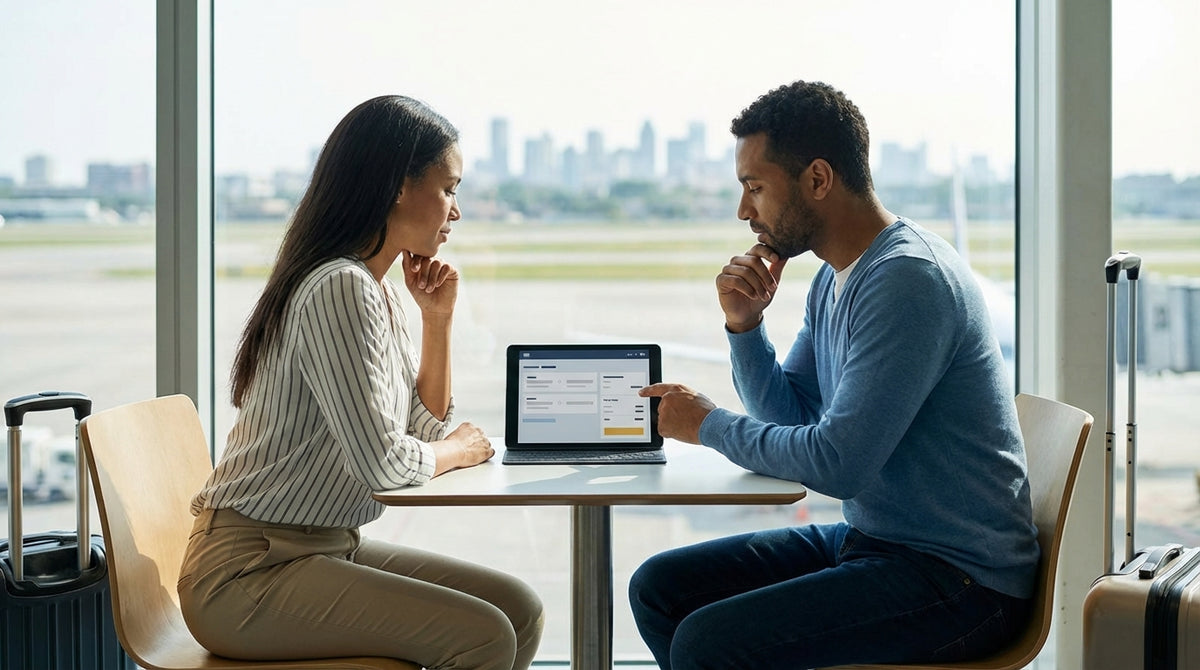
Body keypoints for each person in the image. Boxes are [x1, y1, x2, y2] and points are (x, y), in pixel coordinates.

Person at [631, 81, 1037, 669]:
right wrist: (744, 328)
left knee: (708, 644)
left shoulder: (907, 280)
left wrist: (708, 425)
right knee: (659, 589)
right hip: (881, 543)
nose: (744, 211)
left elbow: (838, 464)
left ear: (818, 179)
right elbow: (790, 416)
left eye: (755, 188)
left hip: (961, 581)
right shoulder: (835, 276)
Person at [178, 95, 544, 670]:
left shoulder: (375, 290)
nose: (456, 211)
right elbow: (384, 464)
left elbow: (419, 427)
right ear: (399, 186)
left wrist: (437, 322)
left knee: (518, 610)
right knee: (483, 636)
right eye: (449, 189)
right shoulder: (339, 286)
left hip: (326, 545)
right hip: (249, 571)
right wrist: (456, 451)